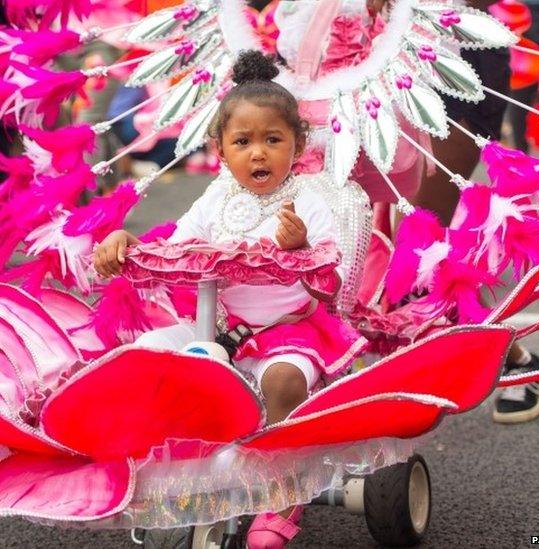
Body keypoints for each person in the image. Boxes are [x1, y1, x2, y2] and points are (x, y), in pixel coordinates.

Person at [93, 50, 366, 549]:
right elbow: (174, 249)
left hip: (290, 332)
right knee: (145, 356)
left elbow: (332, 285)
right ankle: (165, 472)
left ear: (298, 144)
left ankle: (283, 493)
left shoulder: (309, 202)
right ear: (221, 149)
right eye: (243, 142)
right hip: (218, 330)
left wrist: (302, 249)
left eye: (272, 140)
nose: (257, 153)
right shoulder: (216, 198)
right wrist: (124, 242)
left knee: (283, 380)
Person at [411, 0, 539, 424]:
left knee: (418, 241)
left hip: (451, 58)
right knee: (357, 238)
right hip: (347, 67)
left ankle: (512, 356)